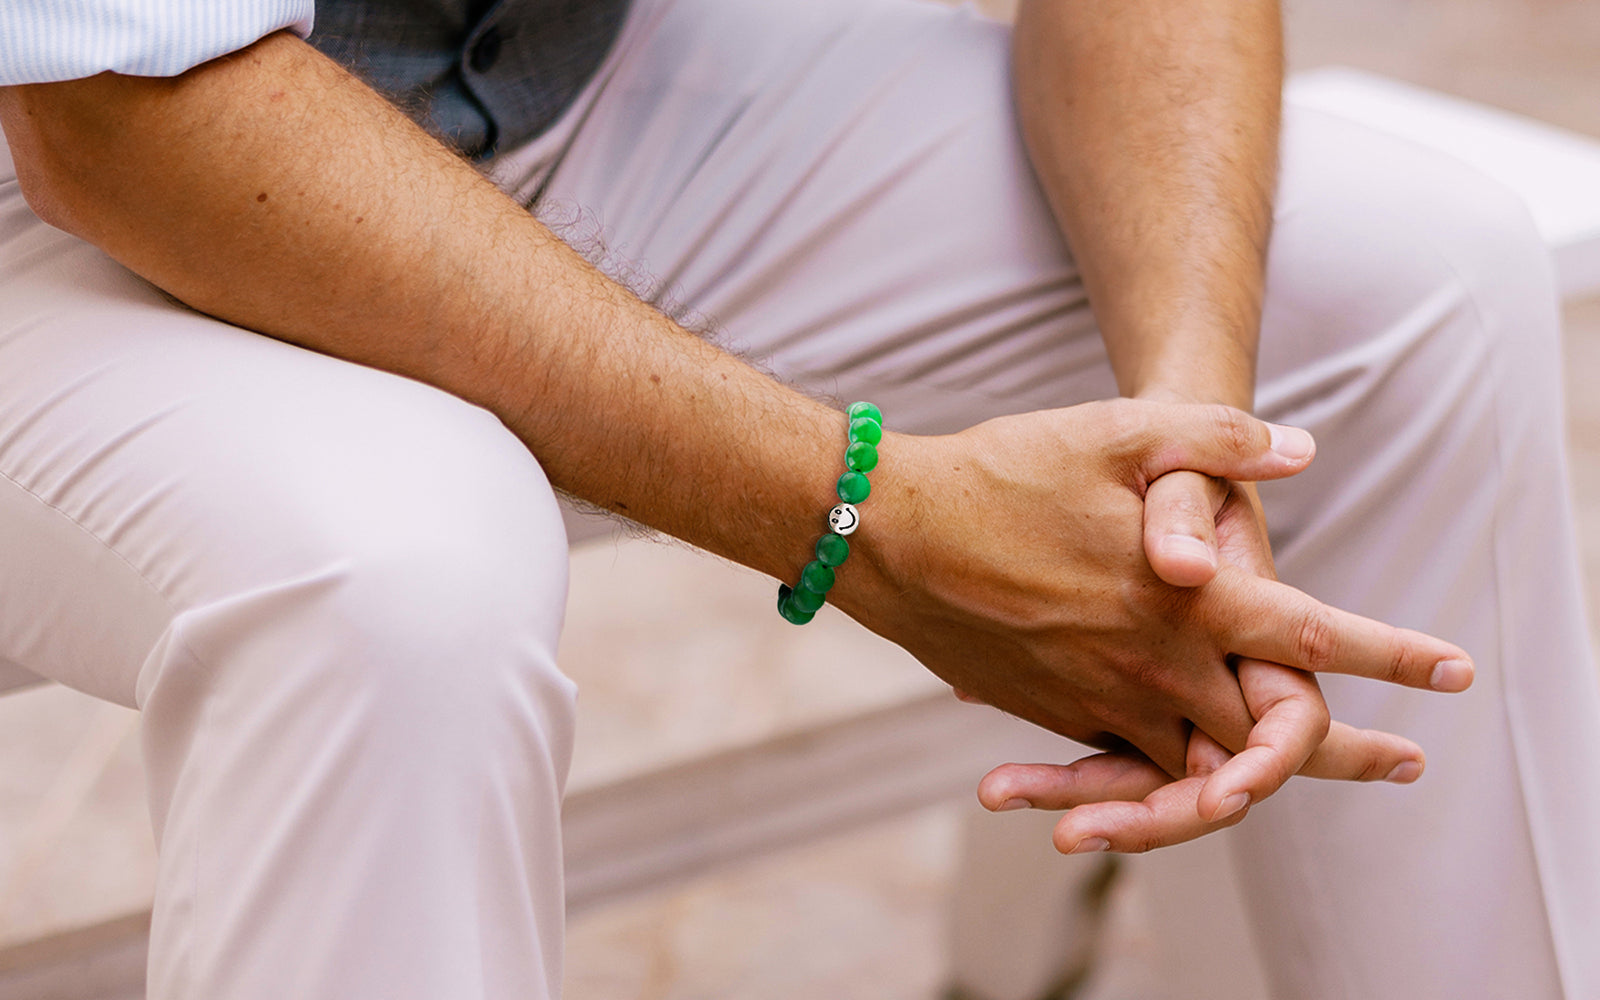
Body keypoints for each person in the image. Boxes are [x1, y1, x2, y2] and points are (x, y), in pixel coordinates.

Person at [1, 0, 1596, 997]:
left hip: (583, 88)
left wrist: (1180, 443)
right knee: (402, 567)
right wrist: (868, 517)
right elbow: (127, 112)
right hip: (79, 181)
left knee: (1408, 276)